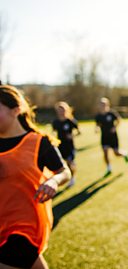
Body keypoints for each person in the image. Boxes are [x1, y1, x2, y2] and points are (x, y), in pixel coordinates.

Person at [0, 84, 71, 269]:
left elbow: (64, 171)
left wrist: (53, 182)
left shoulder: (39, 142)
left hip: (26, 227)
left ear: (16, 110)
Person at [95, 97, 128, 176]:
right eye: (101, 104)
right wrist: (97, 128)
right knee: (105, 153)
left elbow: (119, 119)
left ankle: (124, 154)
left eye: (104, 104)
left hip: (113, 137)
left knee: (116, 153)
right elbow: (98, 125)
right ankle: (109, 168)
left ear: (107, 105)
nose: (102, 106)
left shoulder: (111, 113)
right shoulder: (98, 116)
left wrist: (115, 127)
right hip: (104, 137)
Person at [52, 101, 81, 187]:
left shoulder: (71, 121)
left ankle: (72, 178)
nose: (61, 112)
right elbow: (53, 133)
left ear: (66, 110)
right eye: (59, 110)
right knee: (61, 164)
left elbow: (79, 132)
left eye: (63, 110)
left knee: (69, 162)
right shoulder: (55, 122)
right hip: (60, 145)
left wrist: (72, 135)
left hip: (69, 146)